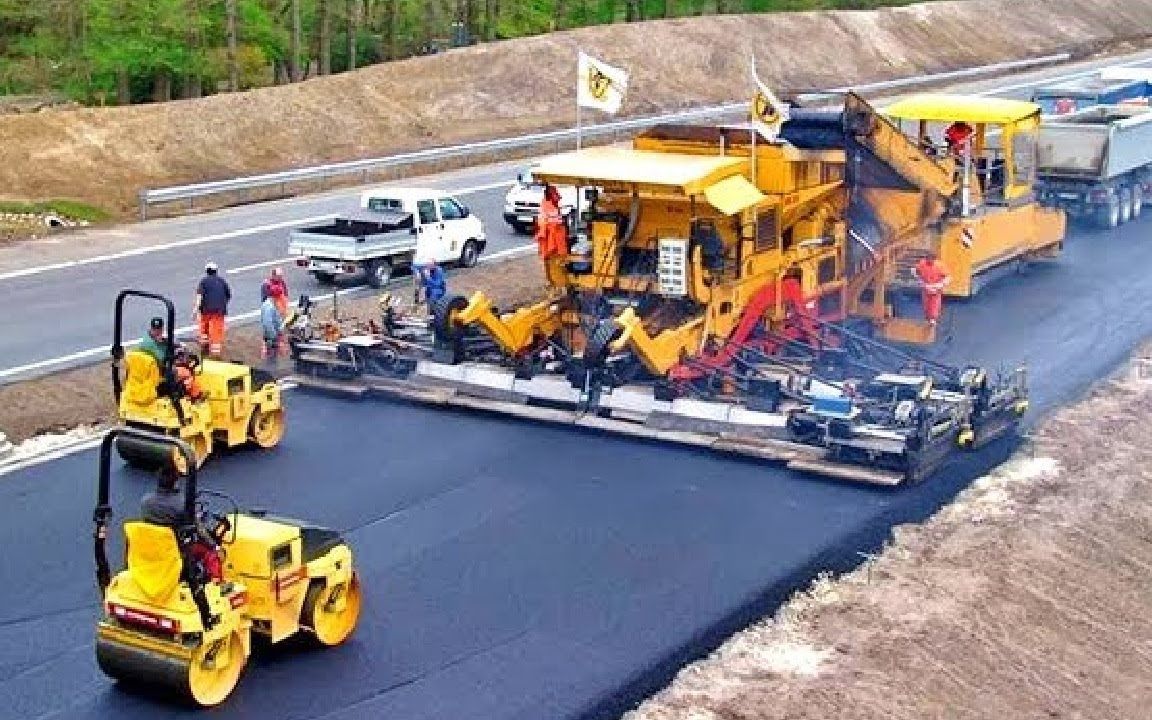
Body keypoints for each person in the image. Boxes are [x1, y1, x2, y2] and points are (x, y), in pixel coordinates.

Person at [141, 464, 221, 628]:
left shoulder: (146, 503)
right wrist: (214, 545)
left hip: (152, 550)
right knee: (210, 553)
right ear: (176, 481)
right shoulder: (181, 505)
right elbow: (198, 530)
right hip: (177, 551)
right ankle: (215, 592)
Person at [193, 261, 231, 359]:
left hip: (205, 310)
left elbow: (199, 296)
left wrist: (195, 310)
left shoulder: (203, 281)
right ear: (216, 271)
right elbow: (228, 295)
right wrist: (221, 304)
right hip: (219, 311)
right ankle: (216, 354)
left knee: (204, 329)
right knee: (217, 332)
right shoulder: (222, 281)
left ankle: (204, 349)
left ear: (207, 271)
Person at [914, 252, 951, 325]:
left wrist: (941, 284)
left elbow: (948, 276)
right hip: (926, 287)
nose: (929, 261)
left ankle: (933, 319)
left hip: (936, 288)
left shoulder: (940, 266)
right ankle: (928, 318)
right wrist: (920, 281)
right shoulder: (922, 264)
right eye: (928, 259)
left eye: (931, 259)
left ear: (934, 259)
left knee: (935, 304)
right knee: (926, 304)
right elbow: (916, 272)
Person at [535, 184, 568, 259]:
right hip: (551, 233)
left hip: (555, 233)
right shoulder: (546, 203)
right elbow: (546, 219)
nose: (558, 196)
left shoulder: (553, 203)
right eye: (555, 194)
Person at [260, 294, 283, 361]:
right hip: (271, 336)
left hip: (271, 334)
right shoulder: (269, 307)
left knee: (271, 354)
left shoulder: (270, 305)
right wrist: (274, 336)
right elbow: (268, 323)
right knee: (271, 355)